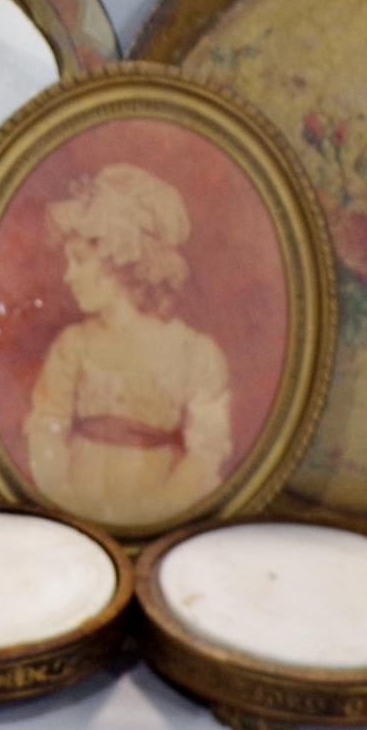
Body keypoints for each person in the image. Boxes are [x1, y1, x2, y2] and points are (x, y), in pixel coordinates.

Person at [23, 163, 232, 527]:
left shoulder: (194, 353)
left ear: (121, 260)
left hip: (161, 512)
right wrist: (68, 504)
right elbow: (46, 431)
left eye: (81, 260)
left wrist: (157, 510)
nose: (68, 275)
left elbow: (207, 452)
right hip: (76, 515)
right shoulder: (72, 347)